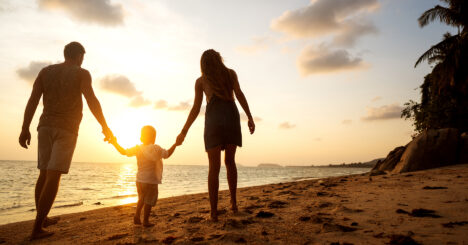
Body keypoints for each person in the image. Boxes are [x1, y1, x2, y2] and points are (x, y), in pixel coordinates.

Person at [18, 42, 114, 239]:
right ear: (79, 56)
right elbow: (92, 100)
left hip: (44, 126)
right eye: (83, 57)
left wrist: (24, 128)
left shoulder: (46, 71)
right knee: (53, 176)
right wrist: (105, 126)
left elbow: (33, 100)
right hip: (67, 129)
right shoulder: (81, 73)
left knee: (44, 173)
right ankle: (37, 228)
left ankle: (42, 218)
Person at [177, 49, 255, 221]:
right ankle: (233, 204)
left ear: (203, 64)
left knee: (214, 167)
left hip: (214, 119)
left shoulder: (201, 81)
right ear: (219, 60)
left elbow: (196, 108)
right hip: (231, 116)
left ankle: (213, 212)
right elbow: (239, 95)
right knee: (230, 162)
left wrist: (183, 131)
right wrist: (249, 116)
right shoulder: (230, 74)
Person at [109, 125, 180, 227]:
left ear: (141, 137)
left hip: (140, 180)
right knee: (149, 201)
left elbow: (123, 152)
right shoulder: (156, 149)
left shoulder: (138, 149)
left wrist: (114, 143)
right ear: (154, 138)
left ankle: (137, 216)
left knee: (141, 198)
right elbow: (167, 154)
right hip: (151, 180)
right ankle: (146, 221)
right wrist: (175, 145)